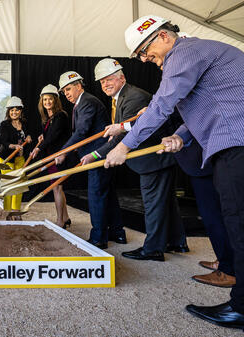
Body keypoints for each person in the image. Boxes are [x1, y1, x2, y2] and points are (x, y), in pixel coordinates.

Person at [106, 15, 244, 329]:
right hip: (233, 140)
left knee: (238, 221)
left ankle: (242, 307)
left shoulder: (183, 55)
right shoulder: (197, 53)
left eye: (144, 50)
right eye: (139, 55)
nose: (144, 58)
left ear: (164, 36)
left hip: (237, 143)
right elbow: (206, 103)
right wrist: (182, 135)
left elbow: (162, 105)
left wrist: (124, 145)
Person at [82, 58, 184, 261]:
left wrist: (95, 155)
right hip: (155, 159)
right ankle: (177, 242)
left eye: (109, 79)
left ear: (122, 78)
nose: (105, 84)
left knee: (153, 204)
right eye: (102, 81)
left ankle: (153, 249)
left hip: (153, 158)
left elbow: (126, 135)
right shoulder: (121, 98)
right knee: (166, 202)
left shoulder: (134, 97)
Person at [55, 71, 123, 249]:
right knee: (107, 194)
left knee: (96, 195)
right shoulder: (81, 103)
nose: (67, 94)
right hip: (98, 154)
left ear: (79, 86)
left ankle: (98, 238)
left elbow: (82, 131)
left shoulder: (87, 102)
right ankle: (117, 233)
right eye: (64, 91)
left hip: (98, 155)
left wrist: (64, 152)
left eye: (69, 89)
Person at [173, 139, 235, 287]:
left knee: (213, 216)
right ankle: (225, 259)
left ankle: (229, 270)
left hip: (205, 158)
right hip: (204, 159)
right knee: (213, 214)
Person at [30, 85, 70, 228]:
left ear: (55, 101)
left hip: (58, 157)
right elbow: (49, 135)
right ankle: (65, 217)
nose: (47, 102)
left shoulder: (60, 116)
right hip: (51, 157)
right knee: (59, 187)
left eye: (50, 99)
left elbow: (54, 136)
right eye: (45, 99)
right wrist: (43, 136)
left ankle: (60, 221)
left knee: (56, 187)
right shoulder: (48, 118)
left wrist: (39, 148)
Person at [0, 96, 32, 219]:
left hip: (20, 158)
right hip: (6, 158)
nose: (14, 112)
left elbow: (27, 136)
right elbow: (4, 141)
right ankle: (7, 212)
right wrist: (13, 146)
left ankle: (16, 211)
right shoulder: (4, 124)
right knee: (8, 185)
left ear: (20, 111)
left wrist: (28, 137)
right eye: (12, 110)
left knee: (18, 185)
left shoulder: (25, 123)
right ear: (8, 111)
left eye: (17, 110)